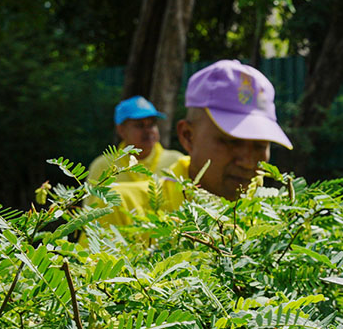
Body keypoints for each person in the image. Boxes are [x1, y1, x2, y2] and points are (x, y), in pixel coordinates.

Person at [98, 60, 293, 226]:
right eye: (231, 142)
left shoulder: (279, 219)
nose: (249, 162)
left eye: (260, 145)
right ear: (188, 136)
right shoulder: (120, 209)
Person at [87, 96, 184, 183]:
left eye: (151, 124)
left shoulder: (176, 161)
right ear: (121, 130)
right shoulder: (102, 167)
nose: (148, 131)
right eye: (139, 125)